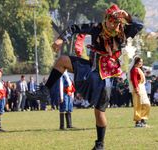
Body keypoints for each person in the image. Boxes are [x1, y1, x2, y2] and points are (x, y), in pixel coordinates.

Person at [44, 4, 143, 149]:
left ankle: (100, 145)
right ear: (106, 18)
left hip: (107, 77)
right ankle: (45, 90)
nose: (113, 23)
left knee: (99, 111)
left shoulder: (124, 31)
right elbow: (74, 28)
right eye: (111, 19)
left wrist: (126, 15)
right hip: (90, 69)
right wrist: (61, 39)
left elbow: (139, 25)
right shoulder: (96, 28)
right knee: (62, 61)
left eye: (116, 20)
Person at [129, 56, 151, 127]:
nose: (141, 63)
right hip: (138, 89)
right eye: (140, 61)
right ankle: (138, 122)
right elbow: (134, 80)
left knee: (146, 104)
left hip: (142, 88)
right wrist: (136, 89)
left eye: (142, 61)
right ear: (136, 62)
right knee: (138, 105)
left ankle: (143, 119)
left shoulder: (138, 69)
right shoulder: (134, 70)